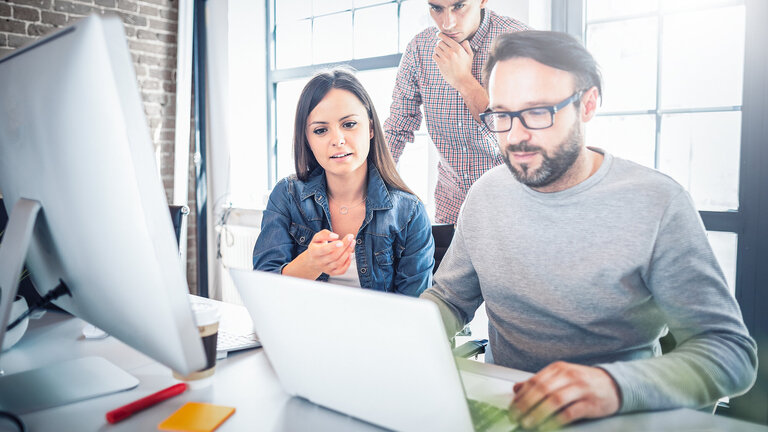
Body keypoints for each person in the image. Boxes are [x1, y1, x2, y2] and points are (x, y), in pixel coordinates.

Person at [421, 31, 758, 429]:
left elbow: (731, 353)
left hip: (619, 417)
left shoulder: (657, 202)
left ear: (588, 105)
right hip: (508, 411)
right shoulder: (485, 194)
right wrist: (397, 330)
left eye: (537, 112)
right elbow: (448, 300)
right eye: (501, 115)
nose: (515, 137)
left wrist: (612, 386)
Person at [253, 68, 434, 297]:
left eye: (349, 124)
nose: (337, 140)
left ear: (370, 128)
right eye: (320, 130)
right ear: (307, 139)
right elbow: (262, 292)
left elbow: (415, 315)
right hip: (300, 331)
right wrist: (310, 264)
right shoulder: (287, 196)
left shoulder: (410, 213)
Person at [384, 0, 528, 224]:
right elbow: (396, 129)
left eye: (459, 6)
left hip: (513, 205)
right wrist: (362, 189)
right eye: (436, 8)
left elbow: (519, 133)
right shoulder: (419, 49)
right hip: (451, 208)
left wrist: (464, 81)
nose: (447, 23)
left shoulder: (519, 42)